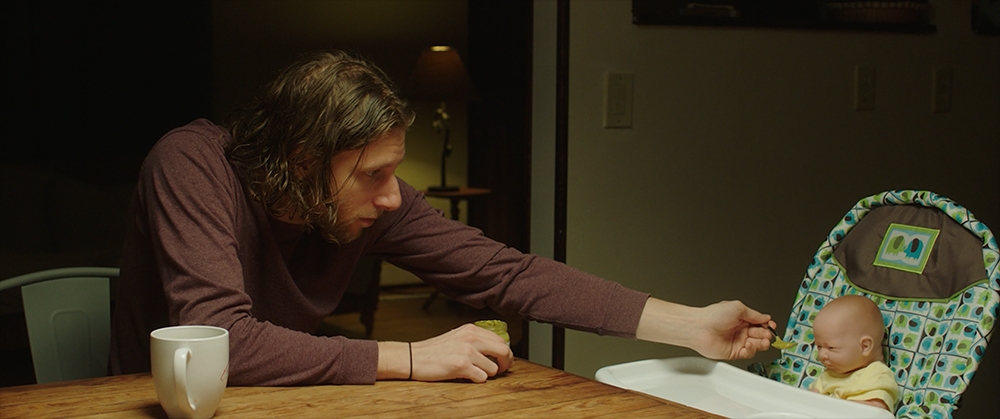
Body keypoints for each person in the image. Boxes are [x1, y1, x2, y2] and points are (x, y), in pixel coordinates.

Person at [109, 50, 775, 386]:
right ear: (303, 161)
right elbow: (221, 339)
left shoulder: (374, 204)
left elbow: (508, 274)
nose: (392, 196)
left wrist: (690, 325)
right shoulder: (190, 165)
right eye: (373, 174)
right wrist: (408, 355)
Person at [809, 295, 900, 411]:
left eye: (831, 348)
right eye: (819, 347)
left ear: (864, 346)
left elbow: (878, 410)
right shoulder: (828, 374)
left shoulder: (876, 374)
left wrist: (837, 406)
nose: (821, 355)